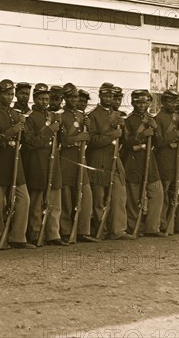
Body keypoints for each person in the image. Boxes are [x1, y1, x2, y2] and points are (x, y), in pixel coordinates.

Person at [0, 80, 34, 249]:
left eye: (11, 94)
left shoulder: (16, 114)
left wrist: (23, 128)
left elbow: (27, 139)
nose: (9, 97)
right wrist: (10, 132)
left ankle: (18, 237)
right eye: (6, 94)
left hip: (16, 161)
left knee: (23, 199)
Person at [22, 83, 67, 246]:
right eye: (41, 98)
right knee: (36, 202)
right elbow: (30, 142)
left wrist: (59, 128)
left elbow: (62, 140)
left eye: (46, 99)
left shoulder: (53, 116)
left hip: (53, 162)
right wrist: (50, 130)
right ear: (34, 99)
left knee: (54, 201)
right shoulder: (29, 117)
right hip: (37, 163)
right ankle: (34, 234)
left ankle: (53, 234)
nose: (44, 102)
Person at [86, 83, 131, 239]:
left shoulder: (117, 114)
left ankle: (118, 230)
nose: (109, 99)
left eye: (111, 96)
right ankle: (101, 230)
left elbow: (124, 141)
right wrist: (111, 135)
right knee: (99, 198)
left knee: (119, 195)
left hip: (114, 159)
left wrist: (123, 129)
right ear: (100, 96)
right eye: (105, 96)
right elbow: (91, 141)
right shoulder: (93, 115)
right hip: (98, 160)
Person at [122, 90, 165, 237]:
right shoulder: (128, 120)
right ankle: (134, 227)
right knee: (134, 197)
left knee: (157, 193)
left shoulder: (152, 119)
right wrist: (141, 134)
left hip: (150, 161)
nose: (142, 105)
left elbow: (159, 143)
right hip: (134, 162)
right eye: (138, 102)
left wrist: (156, 128)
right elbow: (126, 142)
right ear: (133, 103)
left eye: (145, 102)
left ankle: (152, 227)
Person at [59, 83, 96, 242]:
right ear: (65, 99)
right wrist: (76, 139)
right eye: (71, 97)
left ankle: (83, 230)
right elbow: (62, 140)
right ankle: (66, 231)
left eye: (76, 97)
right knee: (67, 196)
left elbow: (89, 138)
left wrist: (89, 129)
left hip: (81, 157)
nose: (74, 100)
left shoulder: (82, 116)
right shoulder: (60, 116)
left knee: (85, 195)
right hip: (67, 158)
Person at [154, 89, 179, 234]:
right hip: (165, 160)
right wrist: (176, 135)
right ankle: (162, 224)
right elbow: (159, 141)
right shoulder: (158, 118)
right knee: (165, 193)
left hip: (178, 160)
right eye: (170, 101)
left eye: (175, 101)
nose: (173, 104)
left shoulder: (177, 118)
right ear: (163, 102)